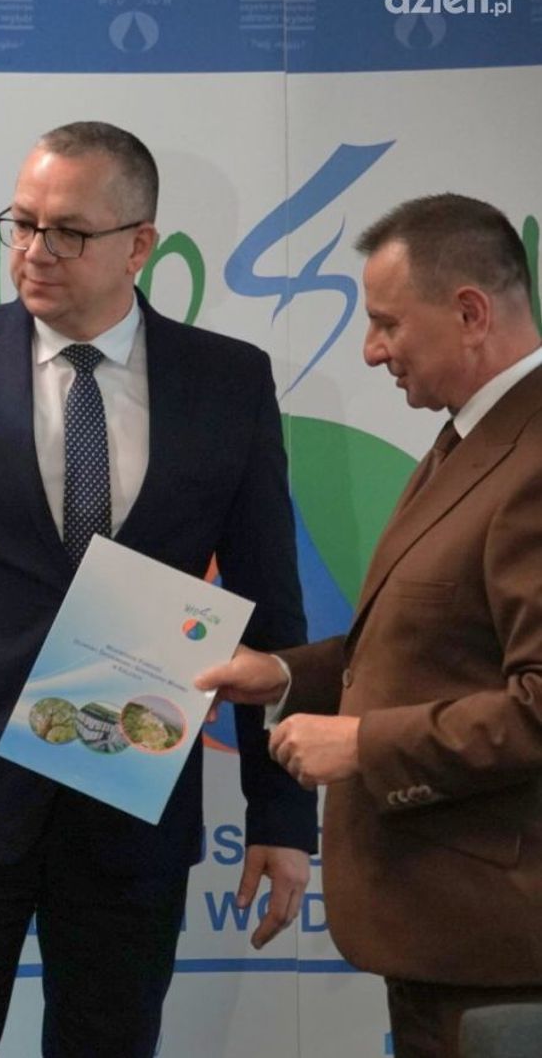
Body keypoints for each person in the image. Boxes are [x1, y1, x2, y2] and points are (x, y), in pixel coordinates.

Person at [0, 120, 319, 1057]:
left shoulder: (228, 381)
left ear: (140, 245)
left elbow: (273, 616)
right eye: (22, 223)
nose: (34, 251)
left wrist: (283, 813)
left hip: (132, 799)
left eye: (68, 232)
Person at [197, 193, 542, 1058]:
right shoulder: (473, 439)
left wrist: (364, 744)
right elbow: (431, 640)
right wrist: (280, 675)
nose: (371, 349)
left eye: (388, 323)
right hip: (443, 934)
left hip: (501, 952)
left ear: (470, 312)